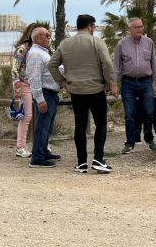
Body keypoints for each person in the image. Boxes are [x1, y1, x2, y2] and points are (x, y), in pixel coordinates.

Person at [49, 14, 114, 174]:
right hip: (96, 89)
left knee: (79, 126)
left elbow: (52, 65)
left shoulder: (65, 44)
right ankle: (98, 159)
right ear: (90, 26)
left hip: (76, 91)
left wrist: (64, 83)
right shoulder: (96, 42)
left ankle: (81, 162)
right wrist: (109, 83)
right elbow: (107, 63)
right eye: (94, 27)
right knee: (101, 124)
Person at [111, 17, 156, 153]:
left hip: (146, 82)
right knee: (130, 114)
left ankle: (149, 139)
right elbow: (116, 66)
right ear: (130, 29)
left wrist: (154, 82)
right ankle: (129, 142)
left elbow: (153, 63)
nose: (140, 29)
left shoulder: (149, 42)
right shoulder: (122, 44)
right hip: (128, 83)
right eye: (136, 27)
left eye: (141, 27)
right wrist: (114, 83)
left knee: (149, 112)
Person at [26, 26, 62, 168]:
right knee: (42, 126)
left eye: (49, 35)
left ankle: (43, 151)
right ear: (36, 38)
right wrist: (40, 99)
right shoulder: (35, 54)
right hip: (45, 93)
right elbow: (34, 78)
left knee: (47, 126)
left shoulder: (42, 53)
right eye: (46, 35)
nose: (49, 38)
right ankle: (37, 157)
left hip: (51, 93)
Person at [10, 23, 41, 158]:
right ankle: (20, 146)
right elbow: (14, 68)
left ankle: (40, 144)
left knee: (38, 114)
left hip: (35, 84)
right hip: (24, 84)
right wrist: (17, 86)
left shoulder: (38, 49)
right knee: (27, 115)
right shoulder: (22, 49)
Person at [134, 58, 156, 142]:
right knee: (138, 116)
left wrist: (148, 75)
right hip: (141, 95)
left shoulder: (153, 61)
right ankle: (137, 139)